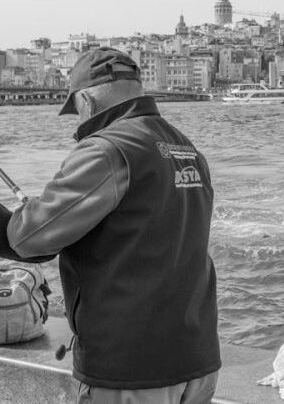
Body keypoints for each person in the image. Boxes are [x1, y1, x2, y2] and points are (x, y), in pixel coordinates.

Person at [0, 47, 221, 404]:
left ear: (85, 100)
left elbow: (29, 238)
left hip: (132, 369)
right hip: (197, 359)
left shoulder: (108, 149)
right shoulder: (185, 147)